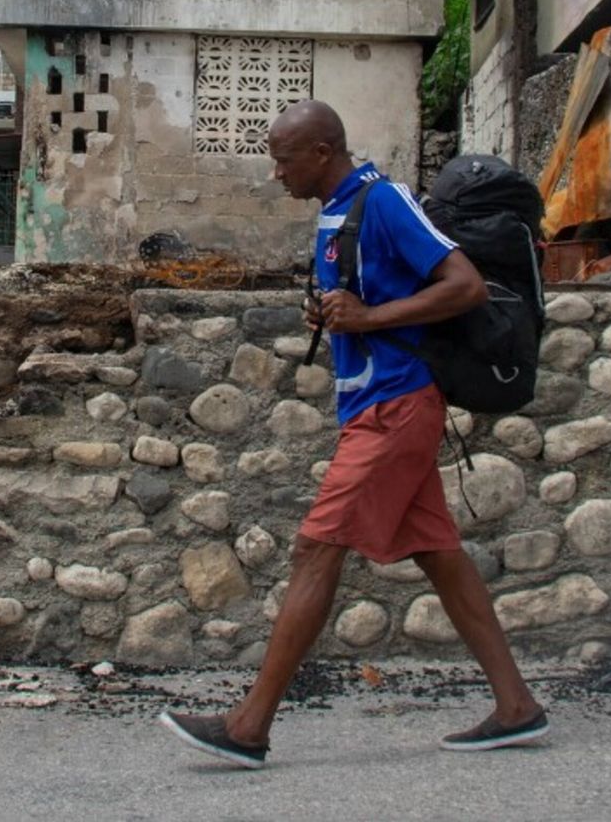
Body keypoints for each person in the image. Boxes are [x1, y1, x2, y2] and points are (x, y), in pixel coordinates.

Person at [159, 100, 547, 769]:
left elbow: (466, 287)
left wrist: (369, 318)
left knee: (316, 548)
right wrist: (336, 313)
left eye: (284, 159)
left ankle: (248, 727)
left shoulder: (385, 201)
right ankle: (516, 707)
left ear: (322, 152)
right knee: (440, 555)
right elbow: (366, 301)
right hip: (375, 405)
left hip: (396, 406)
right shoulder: (335, 213)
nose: (276, 172)